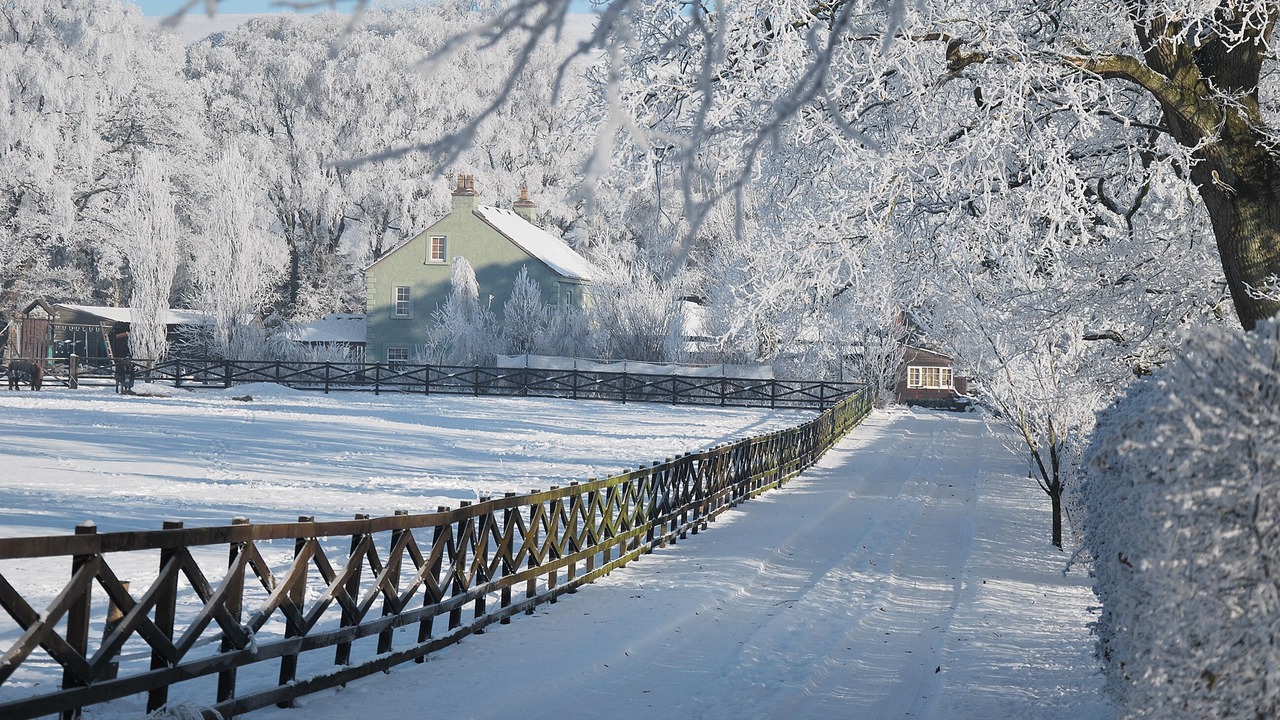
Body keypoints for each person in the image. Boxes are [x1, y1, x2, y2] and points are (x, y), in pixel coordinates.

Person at [109, 323, 134, 394]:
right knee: (122, 376)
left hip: (123, 367)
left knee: (128, 376)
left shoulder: (129, 366)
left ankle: (127, 388)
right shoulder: (121, 364)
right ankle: (125, 388)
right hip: (120, 370)